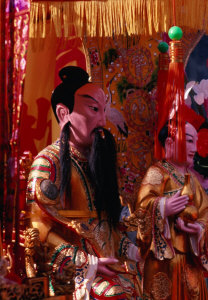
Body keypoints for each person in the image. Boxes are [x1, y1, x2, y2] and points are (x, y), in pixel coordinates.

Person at [26, 66, 141, 299]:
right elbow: (39, 229)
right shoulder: (48, 162)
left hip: (109, 265)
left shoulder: (97, 162)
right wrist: (86, 262)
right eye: (93, 109)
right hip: (70, 273)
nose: (102, 120)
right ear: (63, 113)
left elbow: (108, 225)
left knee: (139, 287)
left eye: (104, 111)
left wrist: (131, 250)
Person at [135, 121, 208, 299]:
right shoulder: (157, 173)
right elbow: (141, 209)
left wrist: (200, 227)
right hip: (164, 261)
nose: (194, 148)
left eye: (195, 142)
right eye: (188, 141)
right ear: (170, 144)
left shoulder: (191, 180)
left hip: (190, 258)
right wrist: (163, 207)